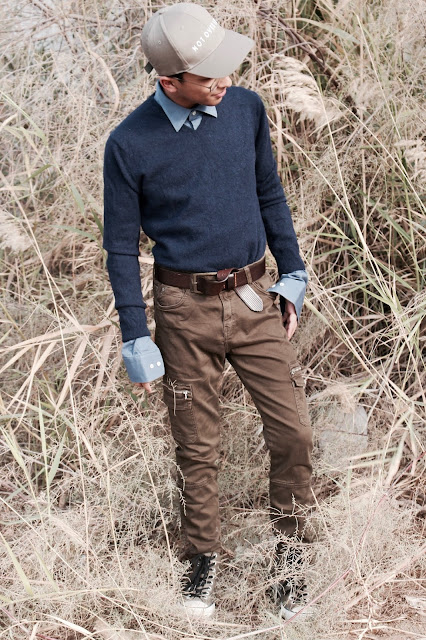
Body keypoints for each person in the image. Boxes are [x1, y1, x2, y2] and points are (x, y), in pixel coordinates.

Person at [103, 2, 313, 619]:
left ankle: (291, 560)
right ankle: (201, 563)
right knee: (197, 445)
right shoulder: (129, 144)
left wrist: (293, 274)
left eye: (225, 67)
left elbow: (269, 192)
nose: (224, 80)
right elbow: (120, 246)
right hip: (182, 311)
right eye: (208, 75)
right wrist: (136, 334)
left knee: (294, 432)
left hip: (254, 299)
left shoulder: (246, 110)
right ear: (169, 81)